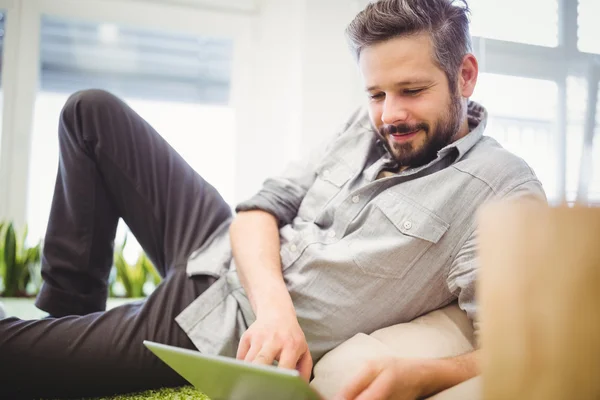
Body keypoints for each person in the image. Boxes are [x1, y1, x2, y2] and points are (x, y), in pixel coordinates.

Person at [0, 0, 546, 399]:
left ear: (465, 75)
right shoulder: (365, 124)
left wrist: (423, 374)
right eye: (377, 93)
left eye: (412, 91)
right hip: (228, 252)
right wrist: (277, 310)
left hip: (216, 321)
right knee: (88, 111)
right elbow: (259, 210)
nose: (389, 115)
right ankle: (68, 315)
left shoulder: (500, 191)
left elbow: (526, 348)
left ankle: (60, 344)